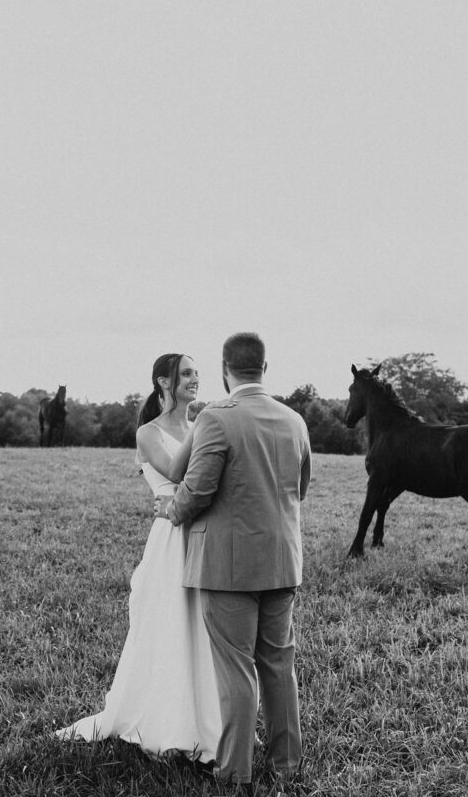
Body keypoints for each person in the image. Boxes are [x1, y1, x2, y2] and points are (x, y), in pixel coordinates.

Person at [157, 332, 312, 791]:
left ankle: (234, 773)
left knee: (236, 668)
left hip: (227, 568)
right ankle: (287, 765)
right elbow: (299, 488)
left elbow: (198, 489)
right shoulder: (294, 420)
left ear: (226, 371)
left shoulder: (216, 418)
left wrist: (172, 511)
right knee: (279, 664)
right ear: (265, 368)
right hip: (283, 562)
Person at [55, 353, 221, 763]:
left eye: (196, 372)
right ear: (163, 383)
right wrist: (203, 430)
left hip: (203, 533)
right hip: (170, 537)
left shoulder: (201, 424)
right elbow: (177, 473)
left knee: (203, 625)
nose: (194, 378)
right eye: (186, 373)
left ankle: (208, 720)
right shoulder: (149, 432)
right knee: (168, 622)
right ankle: (166, 721)